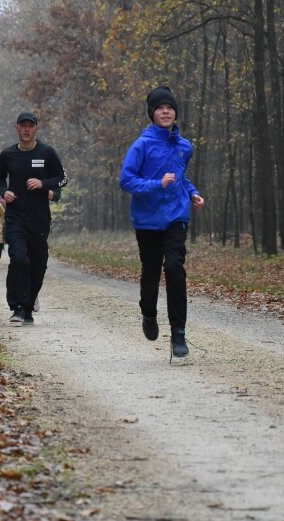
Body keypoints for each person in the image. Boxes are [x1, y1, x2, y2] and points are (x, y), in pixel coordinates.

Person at [119, 86, 205, 358]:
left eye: (170, 107)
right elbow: (126, 180)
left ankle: (178, 334)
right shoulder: (141, 145)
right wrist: (158, 184)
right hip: (147, 220)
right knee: (152, 271)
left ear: (175, 113)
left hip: (176, 216)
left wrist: (192, 193)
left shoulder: (184, 146)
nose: (166, 111)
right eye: (160, 108)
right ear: (152, 114)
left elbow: (180, 177)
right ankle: (148, 313)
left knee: (175, 267)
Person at [0, 111, 67, 325]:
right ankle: (16, 306)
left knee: (38, 264)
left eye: (30, 125)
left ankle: (28, 307)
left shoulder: (47, 152)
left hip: (39, 219)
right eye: (22, 125)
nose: (26, 129)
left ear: (37, 128)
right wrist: (4, 192)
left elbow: (62, 179)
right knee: (19, 259)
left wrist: (43, 184)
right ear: (16, 128)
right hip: (16, 217)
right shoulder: (7, 154)